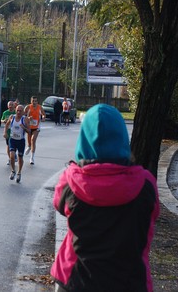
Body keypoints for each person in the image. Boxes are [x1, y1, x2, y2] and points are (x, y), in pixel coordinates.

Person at [51, 104, 160, 292]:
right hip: (131, 281)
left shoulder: (70, 181)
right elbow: (154, 214)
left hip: (76, 280)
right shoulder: (146, 183)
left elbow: (59, 205)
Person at [4, 104, 30, 183]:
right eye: (17, 110)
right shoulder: (12, 117)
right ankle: (13, 171)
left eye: (20, 111)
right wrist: (5, 132)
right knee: (12, 156)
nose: (18, 112)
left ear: (23, 112)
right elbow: (7, 125)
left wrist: (24, 127)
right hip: (12, 139)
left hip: (21, 141)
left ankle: (19, 173)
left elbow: (29, 131)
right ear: (16, 110)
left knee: (20, 158)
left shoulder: (25, 119)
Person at [24, 96, 45, 165]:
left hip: (36, 126)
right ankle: (29, 146)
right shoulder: (28, 107)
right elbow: (23, 115)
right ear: (31, 101)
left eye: (35, 101)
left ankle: (32, 157)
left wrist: (43, 117)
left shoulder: (40, 107)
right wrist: (28, 118)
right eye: (33, 101)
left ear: (37, 102)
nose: (34, 102)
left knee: (33, 140)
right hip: (29, 127)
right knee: (30, 142)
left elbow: (43, 114)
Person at [0, 100, 16, 166]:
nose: (11, 106)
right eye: (9, 105)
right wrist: (4, 120)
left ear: (14, 105)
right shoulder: (5, 113)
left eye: (12, 105)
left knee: (15, 145)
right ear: (8, 106)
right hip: (8, 131)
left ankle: (14, 156)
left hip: (15, 131)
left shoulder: (16, 112)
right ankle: (10, 158)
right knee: (9, 145)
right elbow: (1, 120)